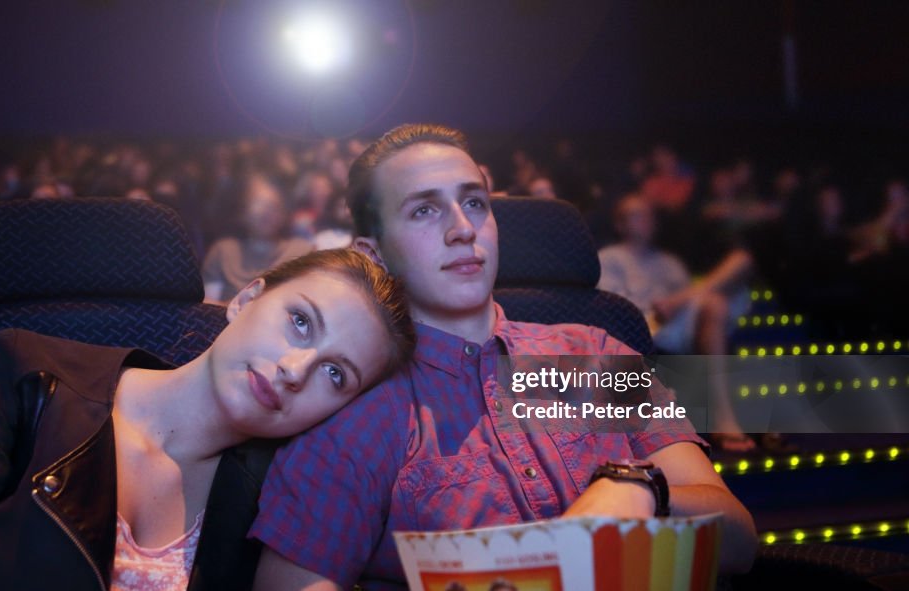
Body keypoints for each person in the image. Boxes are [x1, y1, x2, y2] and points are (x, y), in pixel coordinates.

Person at [251, 124, 758, 590]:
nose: (462, 229)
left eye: (474, 203)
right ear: (374, 254)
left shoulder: (598, 353)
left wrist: (639, 488)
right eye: (424, 210)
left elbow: (737, 537)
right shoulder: (353, 413)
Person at [0, 248, 415, 591]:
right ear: (247, 298)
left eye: (336, 375)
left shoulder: (282, 497)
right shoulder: (26, 374)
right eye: (299, 321)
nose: (295, 371)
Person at [597, 195, 754, 453]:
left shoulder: (669, 263)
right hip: (643, 325)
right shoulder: (609, 259)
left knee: (719, 297)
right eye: (637, 215)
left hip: (676, 325)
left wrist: (677, 303)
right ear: (621, 225)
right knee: (717, 297)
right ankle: (724, 418)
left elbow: (694, 314)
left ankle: (728, 415)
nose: (645, 220)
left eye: (648, 214)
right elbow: (611, 311)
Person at [201, 173, 313, 305]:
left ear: (284, 214)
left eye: (273, 206)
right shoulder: (223, 250)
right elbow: (207, 305)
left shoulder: (302, 252)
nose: (265, 212)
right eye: (258, 203)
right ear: (243, 211)